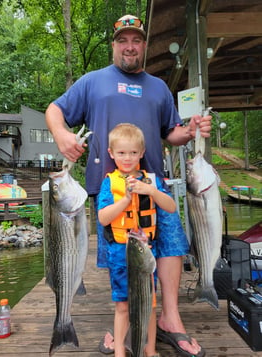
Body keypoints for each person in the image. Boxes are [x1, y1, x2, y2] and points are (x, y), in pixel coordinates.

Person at [45, 14, 211, 357]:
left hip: (153, 183)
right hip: (111, 189)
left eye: (136, 40)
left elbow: (171, 133)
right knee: (121, 256)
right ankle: (124, 319)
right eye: (123, 40)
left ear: (145, 46)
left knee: (171, 247)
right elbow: (54, 110)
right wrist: (62, 135)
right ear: (114, 45)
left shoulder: (159, 88)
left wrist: (191, 130)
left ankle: (170, 319)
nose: (130, 46)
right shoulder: (93, 82)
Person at [98, 123, 176, 357]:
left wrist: (151, 191)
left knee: (149, 305)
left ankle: (149, 351)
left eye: (133, 152)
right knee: (122, 305)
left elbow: (171, 207)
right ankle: (120, 352)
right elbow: (103, 218)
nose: (128, 158)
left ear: (141, 152)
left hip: (145, 254)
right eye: (121, 153)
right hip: (121, 253)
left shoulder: (150, 180)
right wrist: (125, 200)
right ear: (112, 154)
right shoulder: (109, 183)